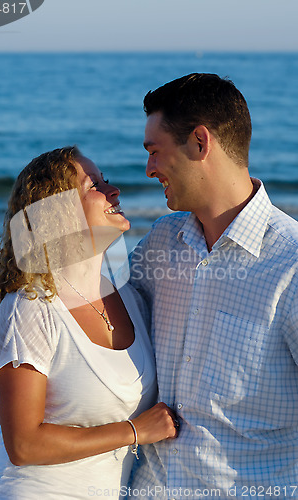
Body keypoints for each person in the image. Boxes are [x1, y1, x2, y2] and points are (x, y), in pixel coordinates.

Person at [128, 74, 298, 498]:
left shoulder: (291, 265)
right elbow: (99, 324)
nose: (148, 169)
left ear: (200, 143)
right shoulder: (161, 242)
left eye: (155, 152)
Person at [0, 146, 178, 500]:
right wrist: (134, 431)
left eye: (107, 181)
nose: (112, 191)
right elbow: (23, 445)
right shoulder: (30, 308)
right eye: (93, 186)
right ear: (59, 212)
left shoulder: (129, 296)